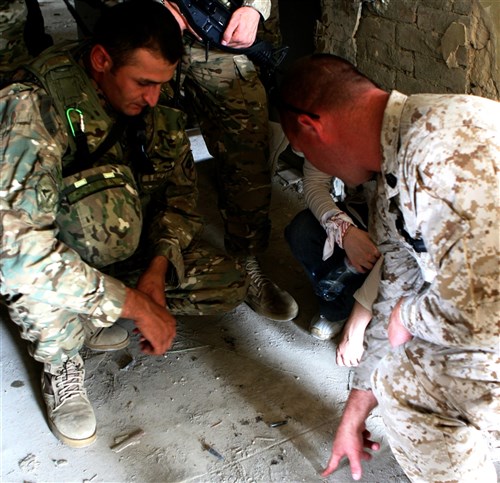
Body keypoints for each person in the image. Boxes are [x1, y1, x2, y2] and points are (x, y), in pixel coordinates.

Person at [0, 0, 247, 448]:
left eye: (161, 84)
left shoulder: (159, 98)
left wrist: (155, 270)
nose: (152, 98)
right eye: (143, 83)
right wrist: (134, 306)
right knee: (27, 277)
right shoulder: (32, 106)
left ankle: (97, 306)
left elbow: (180, 198)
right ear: (101, 61)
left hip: (119, 248)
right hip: (54, 256)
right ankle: (61, 361)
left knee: (225, 282)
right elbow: (18, 256)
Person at [276, 53, 500, 482]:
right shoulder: (397, 167)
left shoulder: (442, 150)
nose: (312, 164)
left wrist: (408, 316)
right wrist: (355, 410)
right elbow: (392, 294)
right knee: (400, 379)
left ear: (312, 127)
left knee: (412, 376)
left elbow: (486, 315)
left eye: (305, 152)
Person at [161, 0, 299, 322]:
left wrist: (255, 6)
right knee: (155, 151)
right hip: (150, 31)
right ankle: (165, 265)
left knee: (248, 156)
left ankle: (246, 261)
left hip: (223, 37)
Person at [284, 156, 380, 341]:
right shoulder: (324, 131)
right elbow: (315, 182)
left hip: (415, 243)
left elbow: (404, 255)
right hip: (367, 211)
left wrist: (355, 327)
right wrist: (345, 233)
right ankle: (339, 308)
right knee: (303, 230)